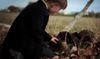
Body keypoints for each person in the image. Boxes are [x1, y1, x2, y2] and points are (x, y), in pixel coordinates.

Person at [1, 0, 67, 59]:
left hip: (19, 44)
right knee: (51, 54)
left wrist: (49, 38)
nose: (58, 11)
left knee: (48, 52)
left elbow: (37, 29)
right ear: (55, 5)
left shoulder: (38, 7)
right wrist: (44, 46)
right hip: (16, 49)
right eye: (59, 9)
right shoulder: (39, 10)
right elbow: (36, 31)